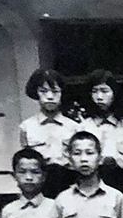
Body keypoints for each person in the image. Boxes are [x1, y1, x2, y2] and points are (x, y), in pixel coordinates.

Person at [19, 68, 78, 197]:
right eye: (43, 91)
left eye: (55, 91)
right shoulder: (27, 127)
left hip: (69, 185)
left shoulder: (74, 127)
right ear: (36, 93)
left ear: (62, 93)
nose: (50, 97)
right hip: (39, 188)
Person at [81, 69, 123, 209]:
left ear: (114, 94)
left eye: (105, 91)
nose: (99, 97)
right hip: (92, 182)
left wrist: (118, 161)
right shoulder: (84, 127)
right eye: (95, 91)